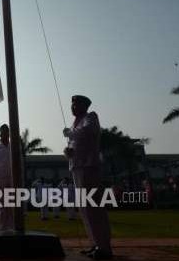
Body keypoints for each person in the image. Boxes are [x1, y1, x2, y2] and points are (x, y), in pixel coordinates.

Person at [63, 95, 112, 260]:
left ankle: (104, 247)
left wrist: (69, 133)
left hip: (89, 167)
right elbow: (75, 143)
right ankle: (95, 243)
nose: (73, 107)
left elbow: (86, 132)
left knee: (94, 207)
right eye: (72, 104)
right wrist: (68, 152)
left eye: (76, 104)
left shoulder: (91, 117)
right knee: (84, 209)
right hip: (77, 167)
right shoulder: (75, 123)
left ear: (85, 105)